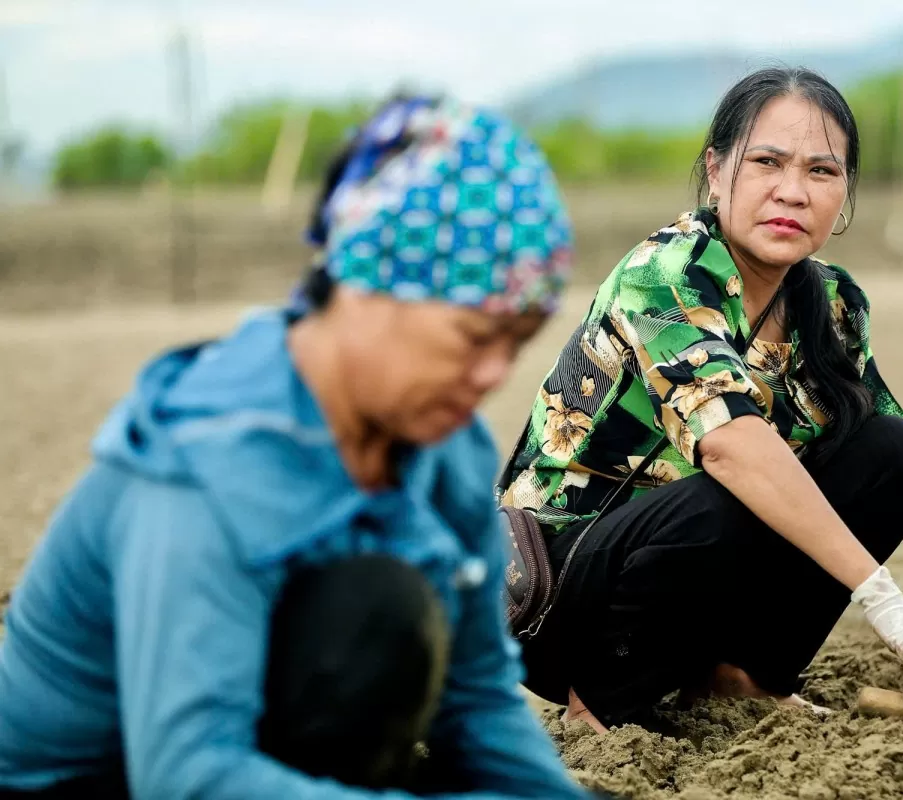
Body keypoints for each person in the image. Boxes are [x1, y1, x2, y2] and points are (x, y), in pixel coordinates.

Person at [497, 67, 903, 736]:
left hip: (687, 573)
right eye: (767, 162)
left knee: (893, 455)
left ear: (846, 191)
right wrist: (882, 597)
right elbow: (733, 445)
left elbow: (902, 451)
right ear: (717, 170)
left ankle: (743, 675)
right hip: (559, 598)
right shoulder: (667, 274)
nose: (792, 192)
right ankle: (602, 701)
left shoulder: (831, 303)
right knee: (734, 486)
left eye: (822, 172)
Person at [0, 95, 590, 799]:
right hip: (101, 777)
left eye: (518, 344)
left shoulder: (444, 450)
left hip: (263, 751)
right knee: (373, 607)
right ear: (365, 288)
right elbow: (187, 770)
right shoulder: (207, 462)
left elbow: (478, 696)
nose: (495, 375)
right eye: (474, 337)